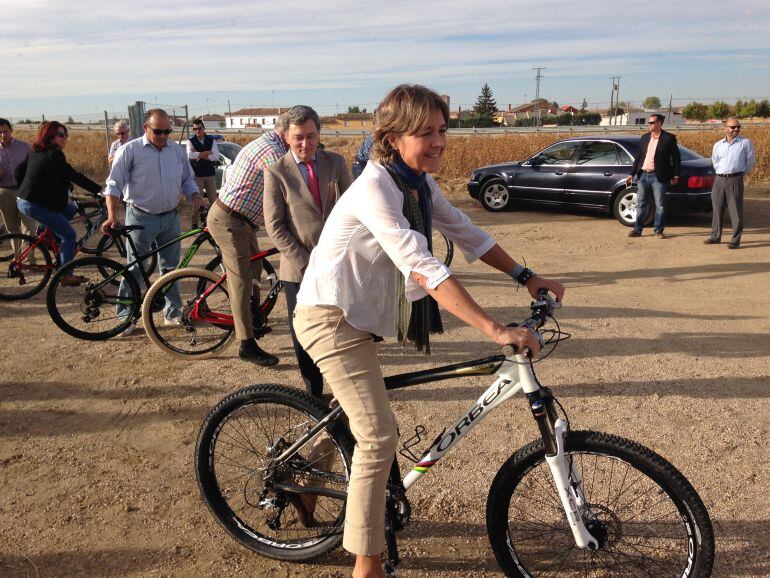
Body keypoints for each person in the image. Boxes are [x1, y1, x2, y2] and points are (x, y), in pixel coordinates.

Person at [293, 84, 565, 578]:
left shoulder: (418, 183)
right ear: (393, 138)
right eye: (426, 132)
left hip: (361, 312)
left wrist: (527, 277)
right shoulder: (376, 186)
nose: (439, 141)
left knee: (357, 411)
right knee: (378, 437)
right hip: (330, 316)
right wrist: (492, 328)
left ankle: (309, 475)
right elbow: (421, 267)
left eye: (443, 130)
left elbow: (467, 232)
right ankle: (366, 565)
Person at [264, 105, 353, 396]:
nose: (306, 144)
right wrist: (307, 263)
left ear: (319, 134)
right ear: (287, 137)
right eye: (299, 137)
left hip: (337, 264)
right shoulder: (276, 172)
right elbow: (275, 227)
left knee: (342, 327)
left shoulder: (336, 162)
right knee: (303, 334)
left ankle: (344, 388)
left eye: (311, 136)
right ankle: (313, 392)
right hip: (299, 269)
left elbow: (351, 208)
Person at [103, 109, 201, 334]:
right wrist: (111, 215)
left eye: (168, 131)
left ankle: (172, 313)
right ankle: (125, 316)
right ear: (146, 128)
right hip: (140, 216)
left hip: (170, 216)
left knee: (171, 269)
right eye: (159, 131)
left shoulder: (176, 151)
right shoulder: (130, 150)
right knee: (136, 268)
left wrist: (195, 195)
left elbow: (187, 179)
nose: (164, 135)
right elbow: (113, 185)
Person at [205, 118, 287, 366]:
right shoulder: (273, 152)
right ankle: (246, 344)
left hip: (243, 221)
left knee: (255, 270)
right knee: (240, 279)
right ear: (286, 131)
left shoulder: (271, 144)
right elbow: (288, 189)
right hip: (230, 220)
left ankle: (253, 319)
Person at [15, 121, 102, 285]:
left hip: (25, 200)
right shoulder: (54, 155)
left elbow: (18, 171)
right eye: (61, 135)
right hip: (34, 204)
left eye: (66, 135)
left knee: (69, 211)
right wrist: (99, 190)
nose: (65, 138)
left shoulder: (36, 150)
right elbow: (74, 175)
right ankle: (66, 274)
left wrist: (27, 188)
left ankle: (47, 237)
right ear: (49, 136)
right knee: (69, 235)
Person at [626, 113, 681, 239]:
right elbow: (639, 157)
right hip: (643, 175)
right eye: (649, 123)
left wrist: (676, 175)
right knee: (640, 204)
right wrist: (631, 174)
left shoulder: (669, 138)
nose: (649, 125)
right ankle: (637, 229)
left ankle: (658, 230)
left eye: (651, 123)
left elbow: (677, 158)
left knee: (660, 205)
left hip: (659, 176)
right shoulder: (644, 138)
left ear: (659, 123)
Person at [704, 117, 756, 249]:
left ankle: (735, 240)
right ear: (726, 128)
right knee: (717, 208)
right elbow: (715, 161)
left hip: (735, 179)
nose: (736, 129)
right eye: (733, 127)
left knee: (735, 211)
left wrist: (738, 174)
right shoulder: (718, 145)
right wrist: (721, 173)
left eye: (738, 127)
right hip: (719, 179)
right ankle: (715, 236)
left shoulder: (745, 143)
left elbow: (750, 162)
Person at [0, 118, 36, 253]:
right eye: (0, 132)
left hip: (24, 192)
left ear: (11, 130)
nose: (3, 135)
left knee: (30, 227)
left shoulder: (25, 147)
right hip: (4, 192)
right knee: (12, 229)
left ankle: (29, 260)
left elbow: (35, 166)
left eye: (5, 131)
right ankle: (18, 260)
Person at [186, 118, 220, 229]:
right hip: (197, 176)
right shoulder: (190, 141)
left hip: (210, 175)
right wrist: (207, 153)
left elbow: (216, 157)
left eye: (199, 128)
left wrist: (199, 154)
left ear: (204, 128)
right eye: (195, 129)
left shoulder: (211, 141)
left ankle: (211, 223)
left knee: (213, 201)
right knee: (197, 200)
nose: (197, 131)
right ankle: (194, 222)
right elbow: (190, 155)